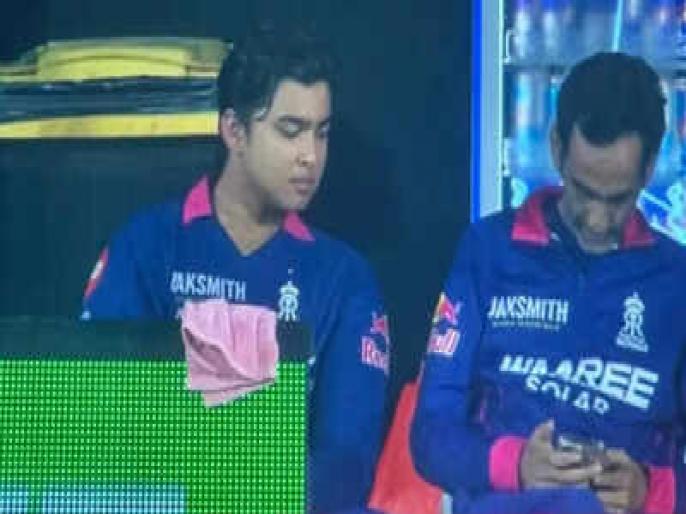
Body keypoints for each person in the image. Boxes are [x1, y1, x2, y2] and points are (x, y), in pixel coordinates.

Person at [81, 25, 389, 514]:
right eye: (290, 130)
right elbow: (101, 420)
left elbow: (345, 465)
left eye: (322, 132)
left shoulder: (346, 279)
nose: (311, 156)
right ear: (234, 131)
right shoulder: (145, 246)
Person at [411, 52, 686, 514]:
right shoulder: (487, 250)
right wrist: (514, 465)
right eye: (584, 191)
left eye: (618, 199)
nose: (597, 220)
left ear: (650, 168)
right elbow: (430, 435)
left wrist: (650, 490)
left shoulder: (677, 282)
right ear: (556, 148)